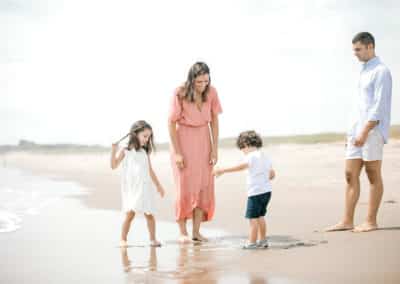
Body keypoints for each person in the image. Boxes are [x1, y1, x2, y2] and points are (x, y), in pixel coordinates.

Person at [325, 32, 392, 233]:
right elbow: (358, 107)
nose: (355, 53)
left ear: (370, 46)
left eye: (358, 49)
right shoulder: (362, 71)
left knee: (373, 175)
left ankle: (371, 221)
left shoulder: (381, 71)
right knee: (349, 174)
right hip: (355, 131)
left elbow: (379, 106)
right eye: (354, 49)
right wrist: (352, 133)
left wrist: (365, 131)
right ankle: (347, 220)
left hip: (372, 131)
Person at [168, 62, 223, 243]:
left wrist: (215, 148)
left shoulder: (212, 92)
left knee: (203, 187)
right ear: (192, 79)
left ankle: (196, 232)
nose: (202, 85)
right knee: (184, 187)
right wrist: (177, 153)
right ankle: (182, 232)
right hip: (183, 139)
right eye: (199, 82)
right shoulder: (180, 92)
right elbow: (171, 122)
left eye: (205, 81)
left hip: (204, 140)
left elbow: (214, 122)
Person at [213, 130, 275, 249]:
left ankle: (252, 242)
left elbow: (241, 167)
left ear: (245, 145)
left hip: (255, 192)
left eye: (241, 149)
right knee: (261, 216)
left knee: (252, 219)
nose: (242, 152)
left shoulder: (250, 156)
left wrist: (223, 170)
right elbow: (272, 174)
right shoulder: (264, 156)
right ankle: (262, 240)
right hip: (266, 192)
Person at [110, 120, 165, 247]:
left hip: (145, 187)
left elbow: (150, 170)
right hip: (133, 188)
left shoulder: (144, 152)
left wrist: (158, 185)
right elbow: (113, 165)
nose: (147, 139)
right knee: (130, 214)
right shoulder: (126, 151)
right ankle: (123, 239)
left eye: (149, 137)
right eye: (145, 136)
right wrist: (113, 150)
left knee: (149, 214)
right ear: (135, 134)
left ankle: (153, 239)